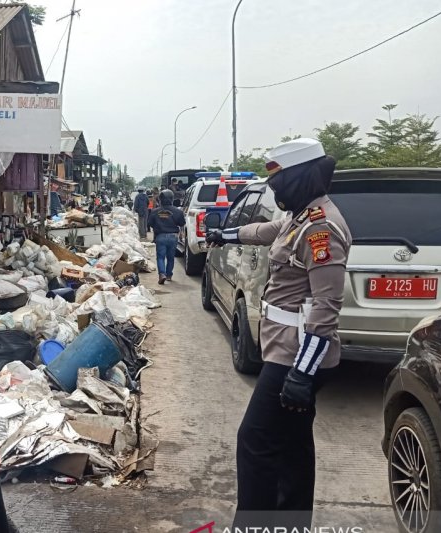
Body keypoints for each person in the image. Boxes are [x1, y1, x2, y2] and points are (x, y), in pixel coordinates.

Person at [206, 138, 352, 529]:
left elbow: (326, 306)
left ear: (301, 178)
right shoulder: (302, 215)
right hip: (284, 348)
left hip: (297, 355)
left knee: (254, 441)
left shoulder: (321, 229)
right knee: (292, 445)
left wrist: (302, 374)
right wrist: (228, 234)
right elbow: (269, 230)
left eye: (280, 182)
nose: (276, 190)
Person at [147, 189, 185, 284]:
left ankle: (162, 274)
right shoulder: (178, 211)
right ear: (172, 199)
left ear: (160, 199)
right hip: (173, 237)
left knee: (160, 257)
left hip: (160, 236)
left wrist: (158, 226)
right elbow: (182, 223)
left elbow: (150, 223)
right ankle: (168, 275)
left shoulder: (155, 211)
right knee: (170, 257)